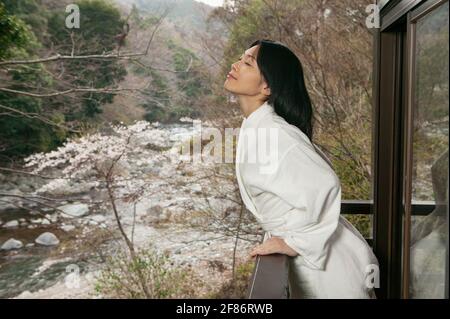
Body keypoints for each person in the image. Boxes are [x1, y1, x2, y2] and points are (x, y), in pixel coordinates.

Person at [224, 39, 379, 298]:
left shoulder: (276, 133)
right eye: (241, 59)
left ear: (267, 86)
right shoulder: (258, 127)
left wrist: (294, 242)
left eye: (247, 62)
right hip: (314, 262)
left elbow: (325, 184)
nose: (235, 64)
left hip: (328, 271)